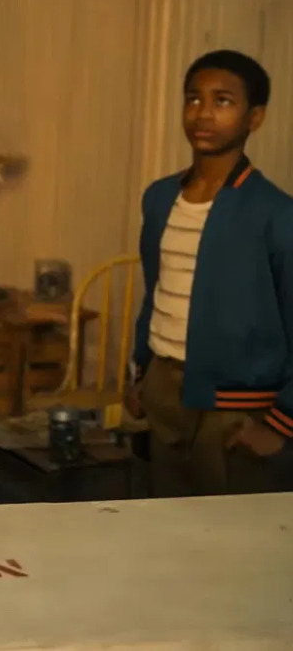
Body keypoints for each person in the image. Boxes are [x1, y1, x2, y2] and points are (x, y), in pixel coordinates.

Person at [124, 49, 293, 496]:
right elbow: (157, 291)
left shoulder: (276, 214)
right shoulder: (160, 198)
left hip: (236, 407)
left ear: (254, 117)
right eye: (194, 99)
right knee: (168, 518)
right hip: (164, 393)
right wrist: (141, 374)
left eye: (223, 101)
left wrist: (281, 424)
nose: (203, 113)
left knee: (228, 529)